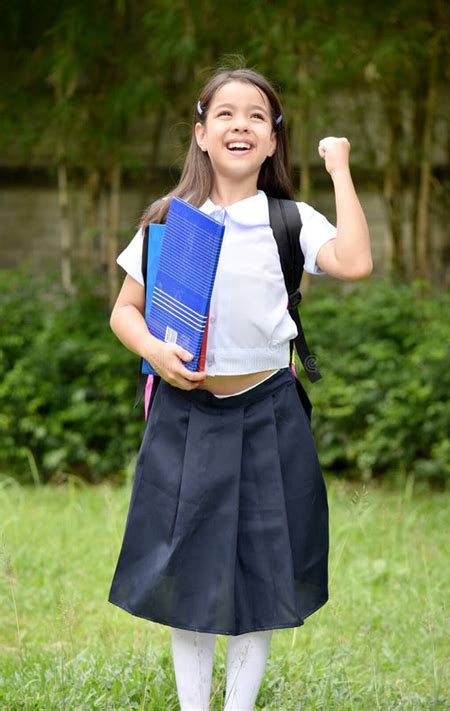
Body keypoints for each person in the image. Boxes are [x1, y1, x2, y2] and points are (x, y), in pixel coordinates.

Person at [107, 67, 372, 710]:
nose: (240, 125)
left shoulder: (290, 219)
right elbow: (124, 311)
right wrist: (154, 353)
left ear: (274, 141)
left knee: (261, 567)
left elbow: (356, 263)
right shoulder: (171, 221)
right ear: (200, 134)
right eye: (225, 114)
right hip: (185, 412)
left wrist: (339, 169)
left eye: (257, 116)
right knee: (188, 570)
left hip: (268, 410)